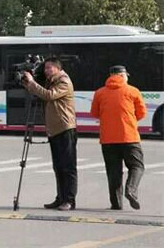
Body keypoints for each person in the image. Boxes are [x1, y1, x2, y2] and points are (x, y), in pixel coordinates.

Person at [23, 58, 78, 211]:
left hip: (65, 128)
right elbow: (39, 92)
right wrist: (27, 82)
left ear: (58, 68)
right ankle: (60, 198)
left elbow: (48, 95)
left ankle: (69, 200)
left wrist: (32, 82)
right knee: (58, 167)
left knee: (68, 167)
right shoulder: (51, 80)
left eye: (49, 68)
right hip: (54, 129)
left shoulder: (63, 82)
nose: (46, 71)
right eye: (45, 68)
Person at [90, 65, 147, 210]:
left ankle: (116, 203)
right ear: (123, 75)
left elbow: (95, 113)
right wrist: (129, 120)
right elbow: (141, 113)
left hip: (108, 139)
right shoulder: (133, 91)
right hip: (129, 137)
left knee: (113, 171)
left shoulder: (100, 93)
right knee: (137, 166)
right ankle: (131, 190)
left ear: (110, 75)